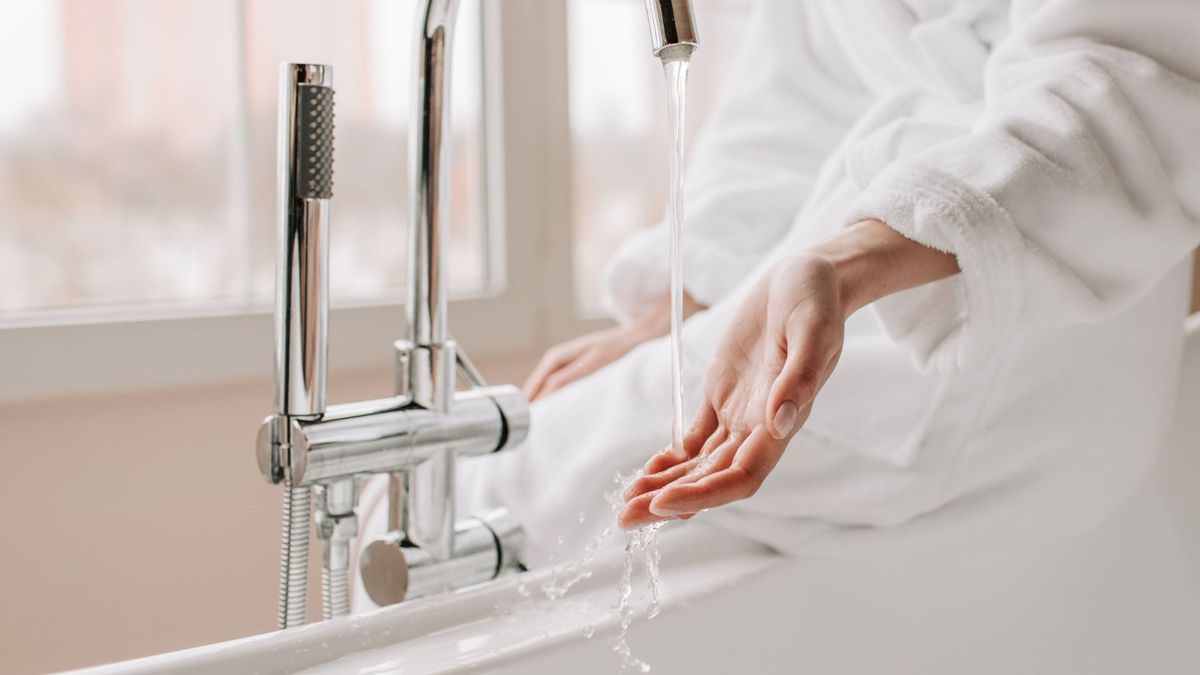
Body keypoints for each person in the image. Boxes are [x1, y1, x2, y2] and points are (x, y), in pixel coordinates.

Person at [363, 0, 1200, 570]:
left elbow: (1134, 74)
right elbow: (793, 102)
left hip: (998, 300)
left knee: (466, 500)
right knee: (442, 488)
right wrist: (671, 311)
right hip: (845, 283)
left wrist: (856, 255)